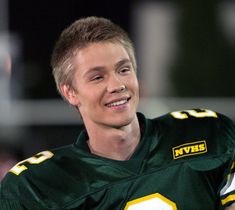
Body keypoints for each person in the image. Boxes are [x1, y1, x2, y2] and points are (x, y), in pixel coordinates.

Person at [0, 16, 235, 210]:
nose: (117, 85)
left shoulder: (206, 134)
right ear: (70, 92)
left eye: (124, 69)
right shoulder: (36, 187)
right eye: (97, 77)